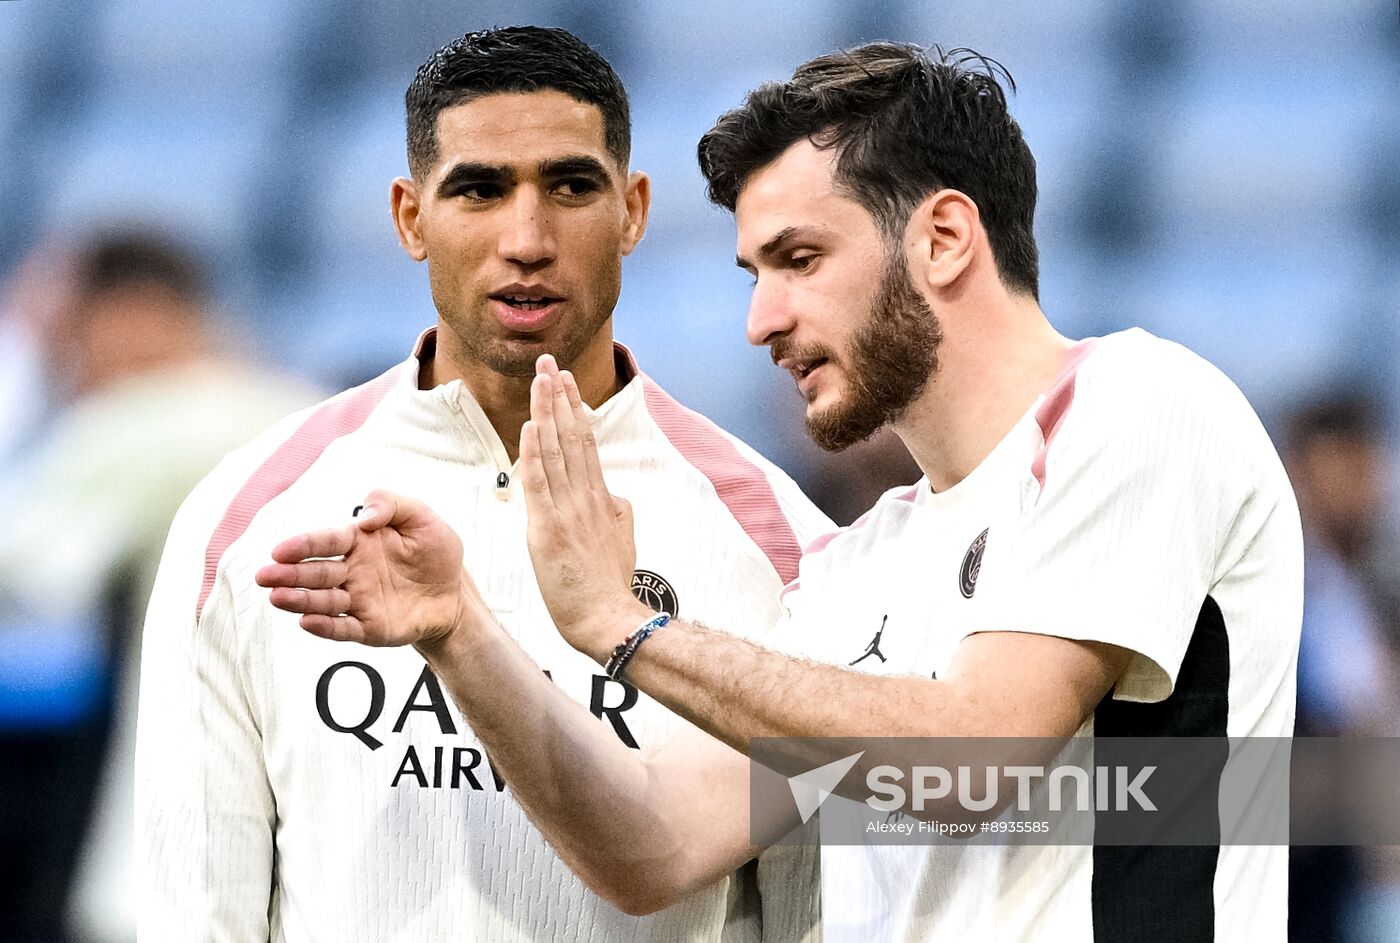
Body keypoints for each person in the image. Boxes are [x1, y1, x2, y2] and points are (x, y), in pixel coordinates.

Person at [260, 42, 1304, 941]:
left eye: (799, 259)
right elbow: (653, 847)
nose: (761, 320)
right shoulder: (857, 566)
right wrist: (461, 633)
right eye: (753, 274)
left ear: (943, 238)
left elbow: (975, 760)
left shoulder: (1135, 403)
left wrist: (626, 627)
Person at [134, 25, 828, 943]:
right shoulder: (246, 519)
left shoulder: (784, 547)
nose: (527, 240)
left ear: (633, 210)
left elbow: (820, 917)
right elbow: (196, 915)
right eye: (479, 189)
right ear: (410, 218)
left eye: (571, 186)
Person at [0, 229, 316, 943]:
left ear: (131, 315)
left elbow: (21, 569)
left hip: (181, 856)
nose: (66, 362)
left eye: (71, 334)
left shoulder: (146, 420)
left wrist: (16, 360)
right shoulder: (306, 407)